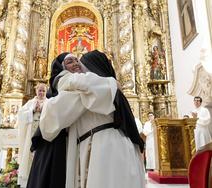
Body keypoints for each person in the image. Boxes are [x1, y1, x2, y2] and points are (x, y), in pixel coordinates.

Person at [40, 50, 145, 188]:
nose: (77, 68)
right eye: (70, 62)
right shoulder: (107, 88)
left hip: (103, 150)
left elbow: (47, 124)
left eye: (79, 64)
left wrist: (61, 78)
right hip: (118, 148)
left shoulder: (93, 90)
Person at [26, 53, 70, 188]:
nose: (75, 64)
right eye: (70, 62)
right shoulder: (59, 85)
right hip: (55, 139)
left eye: (77, 61)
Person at [17, 83, 47, 187]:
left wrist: (43, 110)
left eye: (43, 91)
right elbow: (21, 115)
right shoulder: (30, 102)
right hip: (31, 132)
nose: (41, 93)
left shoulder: (49, 102)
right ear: (36, 91)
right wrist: (33, 110)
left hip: (43, 132)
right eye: (40, 90)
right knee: (29, 155)